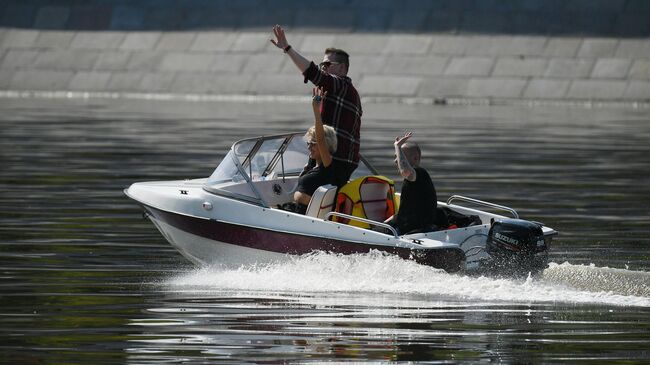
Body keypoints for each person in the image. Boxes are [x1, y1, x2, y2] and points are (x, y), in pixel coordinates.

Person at [271, 25, 362, 184]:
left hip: (335, 160)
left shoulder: (341, 85)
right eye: (322, 65)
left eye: (327, 65)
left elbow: (315, 74)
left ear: (342, 68)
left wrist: (287, 48)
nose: (324, 69)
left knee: (303, 186)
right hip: (339, 161)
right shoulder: (347, 91)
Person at [290, 87, 348, 214]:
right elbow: (319, 136)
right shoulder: (313, 163)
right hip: (296, 212)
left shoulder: (327, 167)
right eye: (308, 143)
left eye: (313, 144)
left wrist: (316, 110)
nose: (309, 146)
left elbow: (321, 138)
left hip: (302, 218)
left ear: (325, 145)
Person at [385, 132, 438, 235]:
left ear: (415, 158)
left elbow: (405, 171)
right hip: (406, 225)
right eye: (396, 156)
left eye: (400, 156)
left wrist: (397, 146)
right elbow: (404, 213)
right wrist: (381, 224)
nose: (396, 160)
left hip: (413, 232)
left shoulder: (419, 174)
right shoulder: (415, 181)